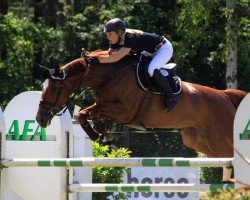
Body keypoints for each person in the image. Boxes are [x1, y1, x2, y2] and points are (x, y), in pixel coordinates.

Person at [91, 18, 177, 111]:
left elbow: (116, 57)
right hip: (150, 51)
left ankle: (171, 98)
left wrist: (98, 61)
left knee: (151, 69)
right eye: (107, 35)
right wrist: (91, 56)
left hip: (164, 48)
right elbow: (110, 54)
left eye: (110, 34)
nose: (108, 37)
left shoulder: (129, 37)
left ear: (120, 32)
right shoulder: (116, 39)